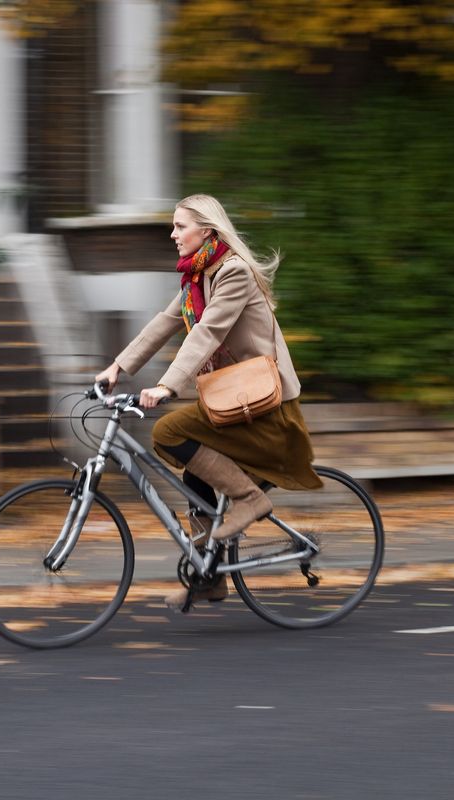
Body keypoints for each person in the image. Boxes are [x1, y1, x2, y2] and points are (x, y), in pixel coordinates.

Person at [94, 194, 322, 611]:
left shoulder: (232, 272)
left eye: (180, 226)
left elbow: (208, 334)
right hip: (234, 398)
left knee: (168, 431)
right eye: (174, 226)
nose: (173, 233)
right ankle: (209, 578)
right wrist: (117, 367)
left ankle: (251, 499)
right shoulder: (196, 277)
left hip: (264, 405)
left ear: (207, 231)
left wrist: (166, 386)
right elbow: (164, 324)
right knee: (196, 474)